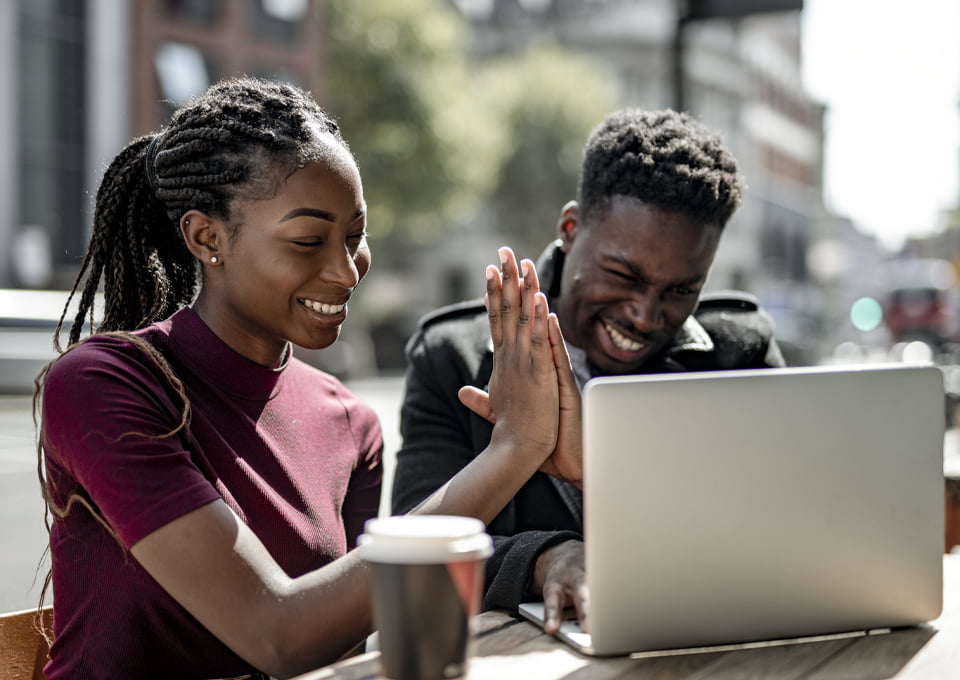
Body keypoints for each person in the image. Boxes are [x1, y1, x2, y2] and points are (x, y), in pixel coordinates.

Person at [35, 76, 576, 680]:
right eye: (308, 240)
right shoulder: (104, 384)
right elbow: (278, 634)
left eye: (354, 237)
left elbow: (338, 652)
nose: (346, 272)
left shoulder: (350, 421)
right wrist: (514, 449)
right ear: (206, 237)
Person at [391, 108, 786, 634]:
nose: (646, 316)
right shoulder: (452, 359)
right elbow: (415, 546)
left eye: (680, 290)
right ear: (571, 228)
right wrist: (542, 558)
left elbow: (782, 527)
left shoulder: (740, 353)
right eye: (623, 275)